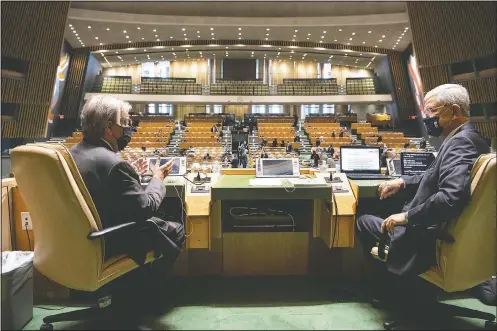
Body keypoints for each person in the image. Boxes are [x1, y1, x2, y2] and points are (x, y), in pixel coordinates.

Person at [355, 84, 489, 299]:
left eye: (432, 111)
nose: (427, 118)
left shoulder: (460, 143)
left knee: (363, 218)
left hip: (426, 236)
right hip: (454, 233)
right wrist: (403, 182)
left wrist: (407, 217)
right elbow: (436, 177)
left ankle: (388, 288)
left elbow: (450, 198)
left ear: (454, 111)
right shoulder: (472, 138)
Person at [69, 95, 185, 265]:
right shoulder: (114, 164)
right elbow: (146, 207)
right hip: (112, 240)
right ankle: (146, 285)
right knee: (178, 230)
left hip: (81, 238)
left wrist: (130, 173)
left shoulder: (72, 154)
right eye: (124, 122)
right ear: (109, 127)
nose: (129, 128)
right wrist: (158, 179)